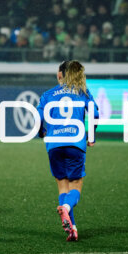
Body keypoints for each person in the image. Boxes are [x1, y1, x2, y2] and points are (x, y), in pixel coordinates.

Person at [37, 60, 99, 242]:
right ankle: (66, 209)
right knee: (76, 185)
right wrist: (92, 136)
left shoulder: (48, 94)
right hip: (75, 143)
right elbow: (94, 113)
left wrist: (42, 132)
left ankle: (72, 228)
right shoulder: (83, 92)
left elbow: (38, 117)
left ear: (60, 74)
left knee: (62, 186)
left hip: (54, 144)